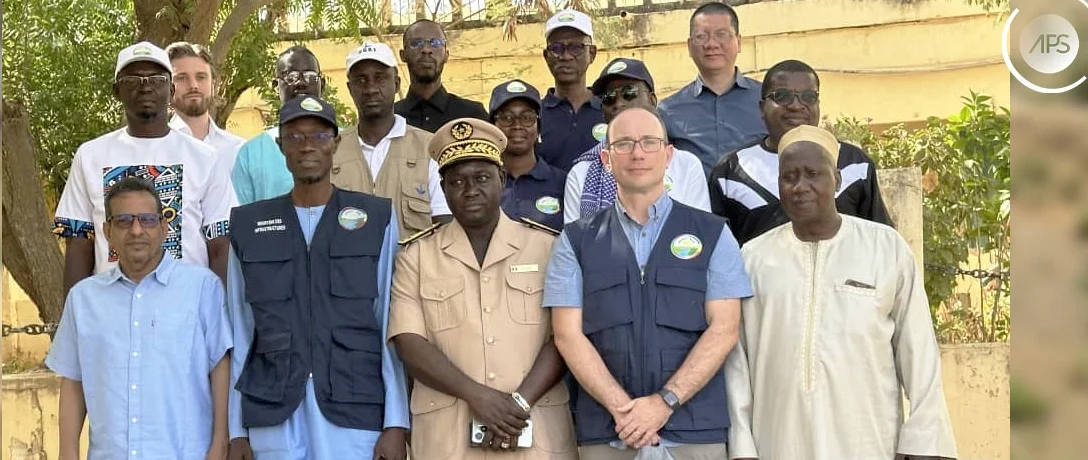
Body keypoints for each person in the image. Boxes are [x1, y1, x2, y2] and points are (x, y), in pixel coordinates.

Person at [724, 124, 957, 460]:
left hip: (869, 442)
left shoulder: (884, 247)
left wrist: (923, 439)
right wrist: (742, 445)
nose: (800, 186)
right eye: (789, 177)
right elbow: (737, 362)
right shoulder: (753, 258)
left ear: (836, 179)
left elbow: (917, 348)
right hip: (777, 442)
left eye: (812, 174)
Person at [545, 107, 751, 460]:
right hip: (609, 432)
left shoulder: (713, 233)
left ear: (668, 155)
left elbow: (724, 329)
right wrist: (624, 410)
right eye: (624, 144)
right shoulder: (575, 240)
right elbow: (567, 335)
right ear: (607, 159)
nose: (637, 153)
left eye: (649, 142)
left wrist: (663, 403)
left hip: (693, 431)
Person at [225, 95, 409, 460]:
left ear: (336, 142)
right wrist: (236, 430)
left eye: (319, 135)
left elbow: (388, 324)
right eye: (294, 136)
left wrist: (395, 422)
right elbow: (241, 330)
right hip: (272, 410)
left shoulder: (376, 218)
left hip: (354, 408)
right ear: (281, 146)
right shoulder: (249, 225)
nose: (307, 145)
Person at [389, 117, 578, 459]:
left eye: (481, 178)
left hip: (535, 430)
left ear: (501, 179)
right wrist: (478, 397)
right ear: (443, 188)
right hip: (448, 439)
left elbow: (565, 337)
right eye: (457, 181)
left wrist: (518, 404)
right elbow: (409, 343)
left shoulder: (548, 248)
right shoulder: (415, 257)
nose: (470, 190)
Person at [47, 176, 232, 460]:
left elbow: (220, 366)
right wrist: (68, 453)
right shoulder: (83, 299)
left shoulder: (202, 288)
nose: (136, 230)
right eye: (123, 221)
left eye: (147, 220)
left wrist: (220, 443)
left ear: (164, 228)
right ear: (107, 231)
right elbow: (73, 381)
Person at [53, 41, 236, 290]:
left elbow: (221, 246)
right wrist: (74, 310)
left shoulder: (205, 157)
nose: (145, 86)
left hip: (188, 304)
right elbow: (79, 245)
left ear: (171, 89)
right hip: (112, 305)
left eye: (157, 79)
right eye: (132, 80)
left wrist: (221, 310)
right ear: (116, 91)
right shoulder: (90, 156)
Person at [708, 59, 892, 246]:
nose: (796, 106)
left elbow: (881, 241)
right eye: (782, 96)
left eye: (808, 96)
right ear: (762, 108)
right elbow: (717, 248)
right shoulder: (731, 171)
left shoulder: (855, 164)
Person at [564, 58, 709, 225]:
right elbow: (576, 239)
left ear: (652, 101)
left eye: (629, 93)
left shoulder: (686, 166)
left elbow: (699, 232)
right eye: (609, 97)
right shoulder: (581, 174)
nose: (619, 103)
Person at [331, 41, 453, 238]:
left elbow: (445, 228)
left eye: (379, 78)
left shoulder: (429, 149)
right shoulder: (332, 150)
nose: (370, 89)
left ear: (396, 84)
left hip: (414, 259)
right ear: (350, 88)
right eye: (361, 80)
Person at [658, 2, 766, 175]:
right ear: (689, 46)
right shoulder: (668, 111)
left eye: (721, 35)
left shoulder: (767, 100)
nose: (711, 44)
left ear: (738, 42)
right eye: (701, 36)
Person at [232, 46, 326, 204]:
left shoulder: (345, 143)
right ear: (276, 86)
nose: (301, 83)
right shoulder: (251, 153)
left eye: (310, 76)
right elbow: (242, 214)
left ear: (322, 84)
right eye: (291, 77)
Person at [488, 79, 567, 231]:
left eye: (527, 118)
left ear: (539, 128)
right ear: (492, 127)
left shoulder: (564, 184)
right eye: (507, 118)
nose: (517, 126)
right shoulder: (482, 183)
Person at [538, 9, 604, 172]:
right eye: (556, 48)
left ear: (592, 53)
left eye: (576, 47)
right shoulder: (533, 116)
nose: (565, 56)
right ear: (546, 56)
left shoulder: (609, 110)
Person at [395, 19, 489, 132]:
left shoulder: (473, 115)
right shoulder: (390, 119)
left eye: (436, 43)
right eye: (416, 43)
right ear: (403, 55)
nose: (426, 50)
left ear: (446, 55)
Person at [166, 41, 246, 161]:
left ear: (213, 84)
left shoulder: (239, 151)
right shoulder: (151, 148)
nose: (193, 85)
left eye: (201, 77)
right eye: (181, 78)